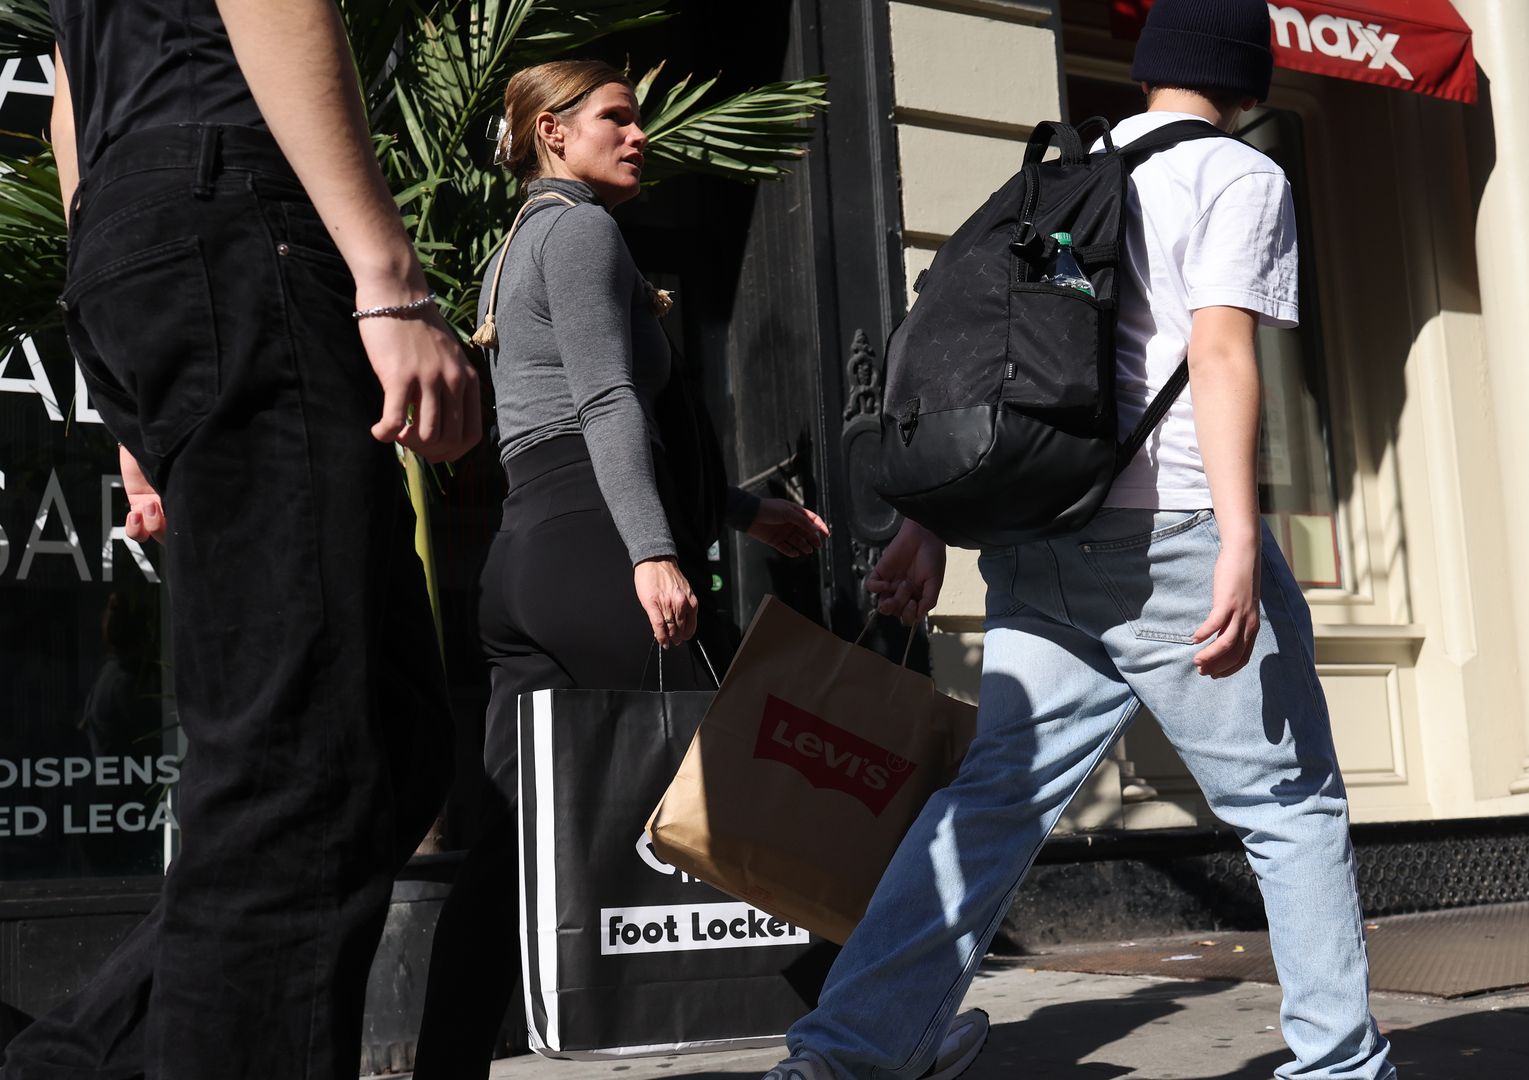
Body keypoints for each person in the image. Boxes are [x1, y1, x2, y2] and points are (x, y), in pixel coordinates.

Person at [762, 2, 1396, 1078]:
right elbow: (1222, 355)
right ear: (1248, 82)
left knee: (990, 805)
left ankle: (843, 1054)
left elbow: (987, 364)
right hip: (1171, 533)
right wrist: (1242, 540)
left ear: (1149, 72)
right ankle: (1337, 1066)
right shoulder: (1238, 175)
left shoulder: (1063, 174)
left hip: (1039, 535)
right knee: (1288, 804)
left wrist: (927, 521)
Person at [2, 0, 477, 1077]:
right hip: (235, 217)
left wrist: (119, 348)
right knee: (295, 759)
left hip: (143, 229)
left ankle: (64, 1067)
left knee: (391, 736)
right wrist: (390, 278)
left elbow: (71, 92)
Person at [409, 59, 847, 1076]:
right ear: (553, 133)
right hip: (595, 550)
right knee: (770, 775)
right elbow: (606, 403)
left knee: (514, 843)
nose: (639, 134)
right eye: (616, 116)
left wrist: (742, 511)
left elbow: (560, 418)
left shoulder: (515, 247)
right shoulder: (581, 232)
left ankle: (443, 1067)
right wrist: (654, 551)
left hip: (526, 562)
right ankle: (875, 1033)